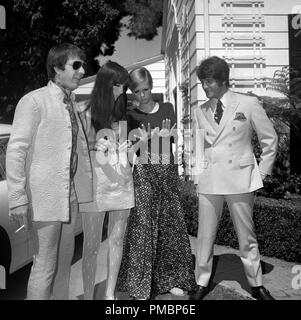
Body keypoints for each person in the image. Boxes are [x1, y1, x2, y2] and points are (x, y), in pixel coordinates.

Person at [6, 43, 93, 300]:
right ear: (57, 68)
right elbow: (16, 150)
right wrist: (17, 197)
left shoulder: (72, 104)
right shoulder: (34, 101)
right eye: (76, 65)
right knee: (44, 267)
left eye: (82, 65)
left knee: (63, 265)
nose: (82, 70)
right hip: (44, 199)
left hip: (70, 197)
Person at [190, 56, 278, 300]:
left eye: (208, 81)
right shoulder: (200, 111)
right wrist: (197, 178)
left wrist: (259, 173)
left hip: (241, 179)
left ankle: (256, 284)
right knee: (205, 236)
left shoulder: (248, 104)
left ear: (222, 80)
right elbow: (196, 147)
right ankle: (201, 282)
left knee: (246, 236)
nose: (205, 87)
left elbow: (270, 140)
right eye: (202, 82)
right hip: (209, 181)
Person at [117, 67, 196, 300]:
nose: (142, 95)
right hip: (143, 172)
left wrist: (166, 135)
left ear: (152, 87)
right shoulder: (130, 116)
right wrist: (144, 140)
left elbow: (173, 139)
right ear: (132, 92)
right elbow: (130, 154)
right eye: (137, 91)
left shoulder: (167, 108)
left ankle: (169, 279)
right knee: (143, 227)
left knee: (169, 226)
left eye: (146, 89)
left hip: (166, 171)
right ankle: (141, 283)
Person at [79, 61, 134, 300]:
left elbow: (126, 152)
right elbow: (79, 151)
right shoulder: (85, 112)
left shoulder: (122, 113)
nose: (121, 92)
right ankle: (89, 294)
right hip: (95, 187)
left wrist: (130, 148)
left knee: (117, 241)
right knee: (90, 246)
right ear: (104, 85)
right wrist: (94, 147)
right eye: (117, 86)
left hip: (121, 183)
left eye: (123, 87)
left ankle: (109, 294)